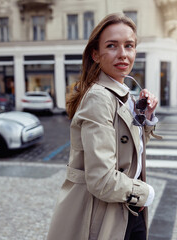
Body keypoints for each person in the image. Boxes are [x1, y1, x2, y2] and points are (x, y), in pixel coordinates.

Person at [47, 13, 161, 240]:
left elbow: (126, 152)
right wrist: (145, 192)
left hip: (126, 205)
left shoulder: (122, 93)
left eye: (129, 46)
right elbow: (101, 180)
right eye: (112, 46)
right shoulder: (100, 98)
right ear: (96, 54)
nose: (123, 54)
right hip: (102, 212)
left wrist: (145, 119)